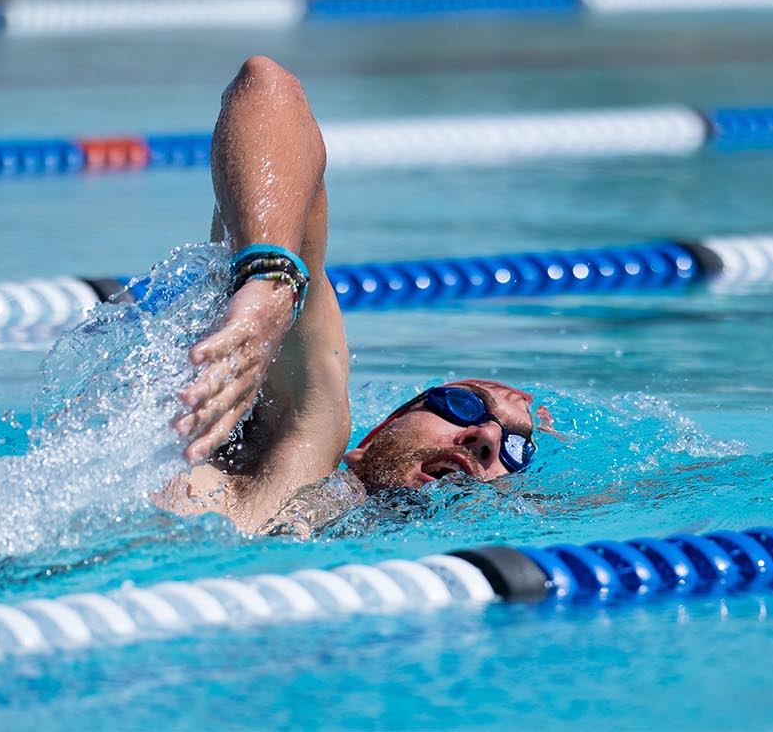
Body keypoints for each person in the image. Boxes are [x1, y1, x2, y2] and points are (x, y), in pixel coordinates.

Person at [153, 56, 538, 536]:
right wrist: (271, 278)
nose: (484, 436)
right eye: (462, 405)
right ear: (372, 434)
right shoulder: (287, 459)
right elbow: (268, 87)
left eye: (515, 451)